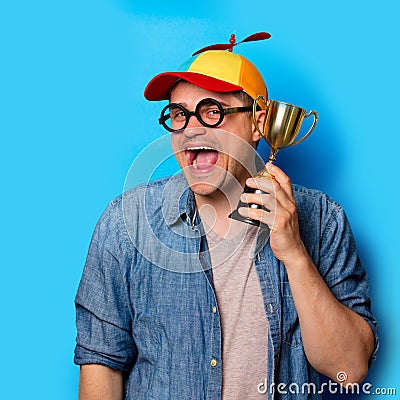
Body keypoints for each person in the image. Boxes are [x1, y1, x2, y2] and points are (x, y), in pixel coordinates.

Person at [74, 42, 378, 400]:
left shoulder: (323, 219)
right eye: (178, 114)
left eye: (212, 111)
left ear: (258, 123)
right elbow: (101, 364)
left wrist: (295, 253)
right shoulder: (126, 224)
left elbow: (349, 369)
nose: (190, 129)